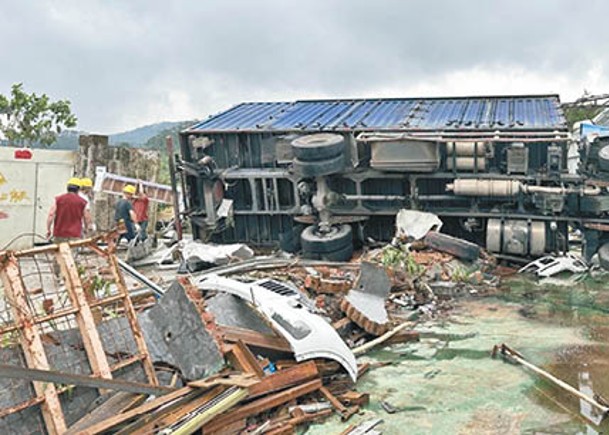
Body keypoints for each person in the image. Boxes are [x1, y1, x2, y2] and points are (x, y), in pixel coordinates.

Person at [46, 178, 92, 242]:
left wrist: (48, 229)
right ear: (78, 189)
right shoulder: (82, 202)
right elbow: (86, 217)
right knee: (73, 251)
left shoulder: (58, 199)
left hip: (59, 234)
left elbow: (51, 214)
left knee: (60, 251)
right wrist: (86, 228)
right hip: (75, 234)